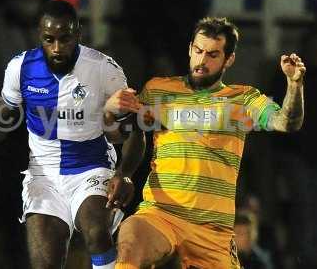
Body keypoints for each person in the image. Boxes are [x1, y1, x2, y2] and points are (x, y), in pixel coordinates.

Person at [105, 17, 305, 269]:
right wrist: (122, 166)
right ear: (190, 49)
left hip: (212, 231)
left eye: (212, 55)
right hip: (161, 215)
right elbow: (130, 132)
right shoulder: (158, 90)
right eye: (198, 51)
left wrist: (294, 85)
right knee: (130, 241)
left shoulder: (243, 98)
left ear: (229, 59)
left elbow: (287, 122)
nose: (201, 61)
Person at [0, 0, 141, 269]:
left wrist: (124, 173)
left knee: (96, 231)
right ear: (40, 36)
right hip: (43, 174)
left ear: (78, 35)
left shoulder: (104, 70)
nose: (57, 48)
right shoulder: (21, 68)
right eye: (49, 40)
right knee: (44, 263)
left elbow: (134, 130)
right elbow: (5, 109)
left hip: (91, 167)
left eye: (65, 39)